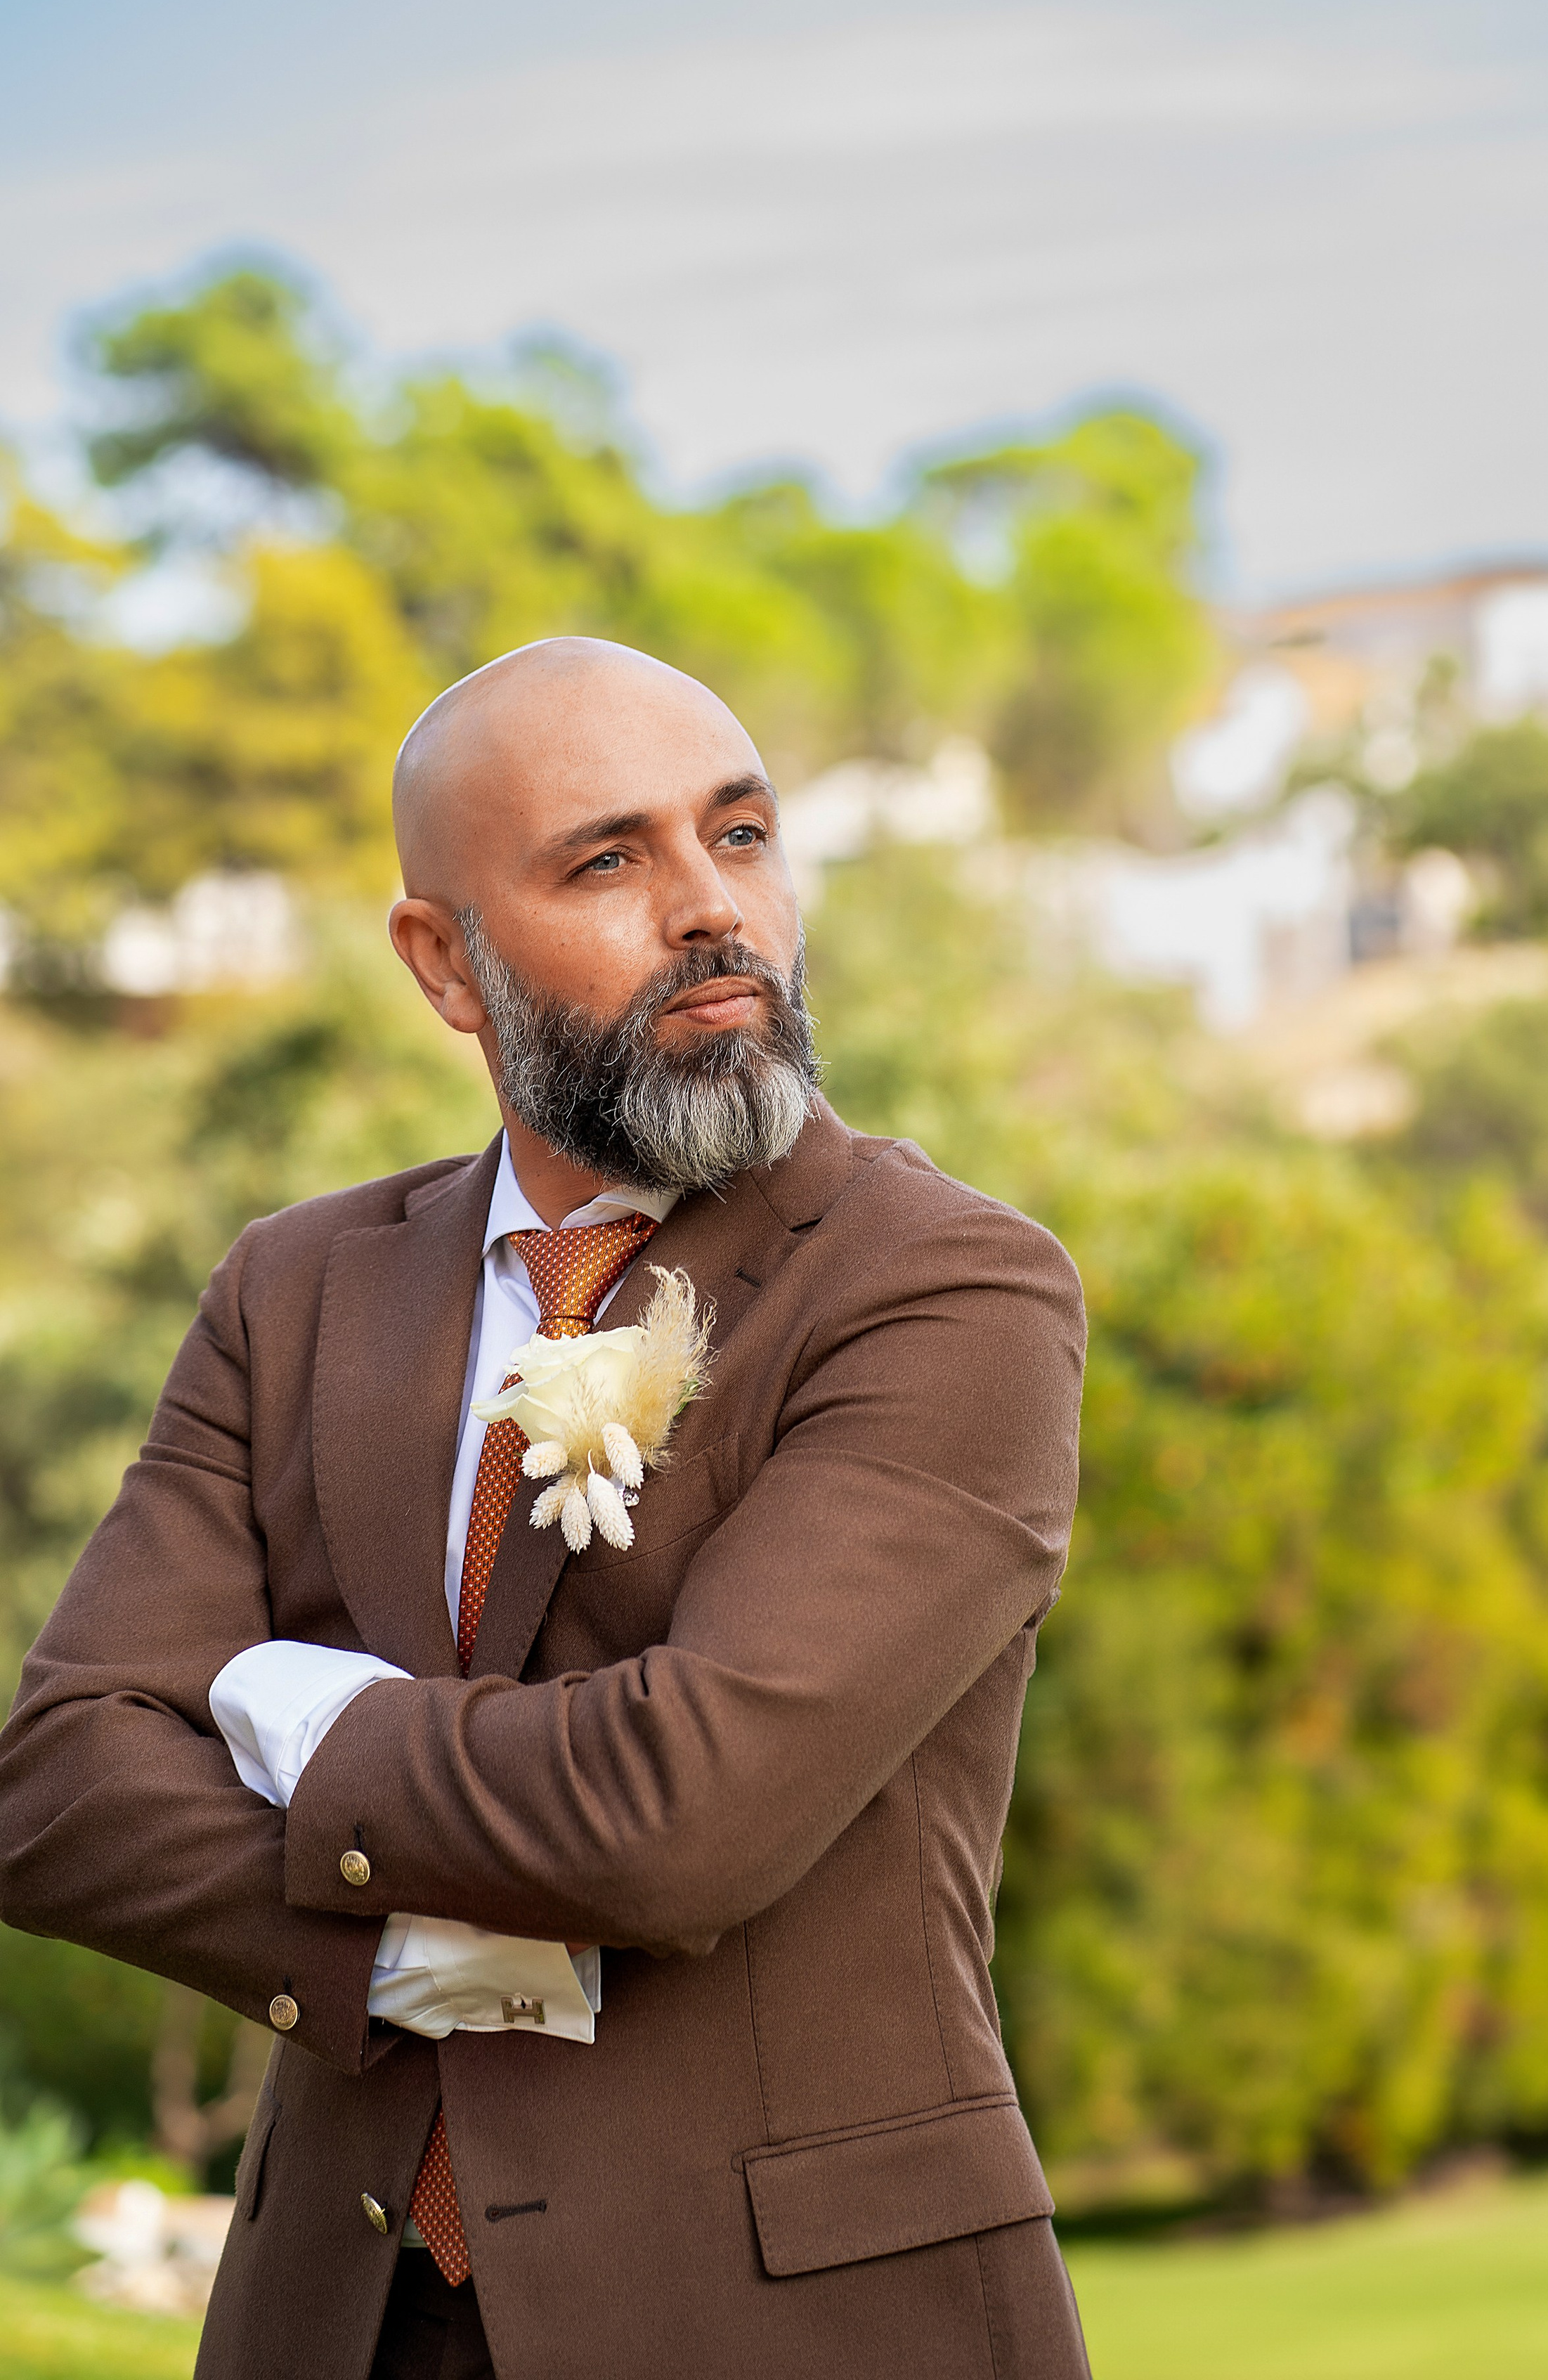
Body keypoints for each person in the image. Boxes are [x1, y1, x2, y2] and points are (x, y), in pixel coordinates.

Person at [0, 639, 1091, 2380]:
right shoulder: (293, 1293)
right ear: (443, 962)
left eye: (738, 838)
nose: (706, 910)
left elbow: (684, 1810)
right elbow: (59, 1781)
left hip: (791, 2325)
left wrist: (307, 1715)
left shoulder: (944, 1288)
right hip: (337, 2326)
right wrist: (410, 1961)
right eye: (607, 861)